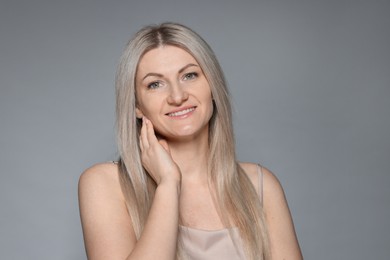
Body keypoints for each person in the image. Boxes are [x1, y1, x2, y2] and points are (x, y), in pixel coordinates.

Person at [78, 22, 302, 260]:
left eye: (189, 75)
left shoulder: (260, 186)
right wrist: (167, 184)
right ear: (136, 106)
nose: (177, 96)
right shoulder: (105, 184)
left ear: (212, 86)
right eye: (155, 84)